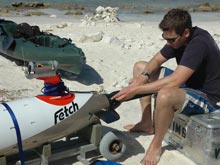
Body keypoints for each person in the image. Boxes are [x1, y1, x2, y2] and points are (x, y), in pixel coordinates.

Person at [111, 8, 220, 165]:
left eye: (171, 40)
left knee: (165, 95)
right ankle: (146, 123)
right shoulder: (176, 38)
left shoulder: (199, 43)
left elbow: (175, 81)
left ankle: (156, 145)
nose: (168, 43)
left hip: (207, 97)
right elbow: (155, 61)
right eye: (165, 38)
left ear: (186, 33)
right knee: (140, 68)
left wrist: (134, 90)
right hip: (188, 84)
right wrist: (142, 78)